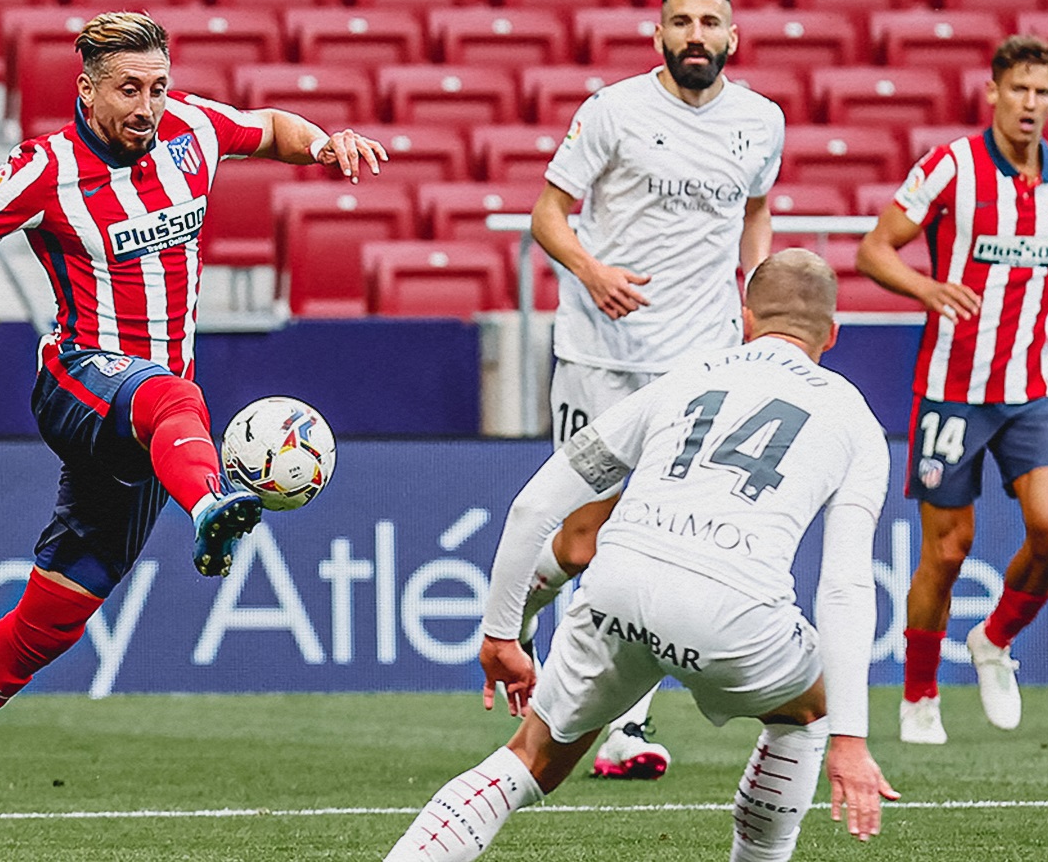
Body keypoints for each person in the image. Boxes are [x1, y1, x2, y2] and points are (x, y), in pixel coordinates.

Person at [0, 11, 387, 862]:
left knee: (48, 624)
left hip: (154, 435)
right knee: (171, 393)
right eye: (128, 89)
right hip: (80, 380)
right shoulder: (46, 168)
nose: (146, 105)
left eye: (156, 86)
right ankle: (212, 509)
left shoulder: (192, 131)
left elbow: (274, 129)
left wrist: (327, 143)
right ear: (87, 88)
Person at [383, 249, 897, 862]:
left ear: (745, 319)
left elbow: (533, 507)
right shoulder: (856, 420)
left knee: (529, 760)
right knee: (808, 711)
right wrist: (850, 737)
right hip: (733, 609)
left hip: (617, 585)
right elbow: (843, 587)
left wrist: (501, 634)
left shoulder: (687, 378)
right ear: (832, 334)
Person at [523, 0, 784, 778]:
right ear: (659, 34)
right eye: (681, 22)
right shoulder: (612, 111)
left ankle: (625, 726)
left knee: (654, 538)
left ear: (731, 37)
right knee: (580, 540)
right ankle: (514, 615)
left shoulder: (761, 121)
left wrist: (755, 303)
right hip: (600, 354)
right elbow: (546, 213)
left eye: (708, 23)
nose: (695, 36)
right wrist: (590, 270)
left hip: (699, 361)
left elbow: (756, 210)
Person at [855, 35, 1048, 745]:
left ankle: (994, 640)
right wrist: (926, 287)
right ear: (992, 91)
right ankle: (918, 693)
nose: (1031, 104)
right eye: (1019, 89)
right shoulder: (950, 167)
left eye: (1044, 93)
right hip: (951, 387)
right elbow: (873, 249)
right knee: (945, 551)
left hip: (1032, 384)